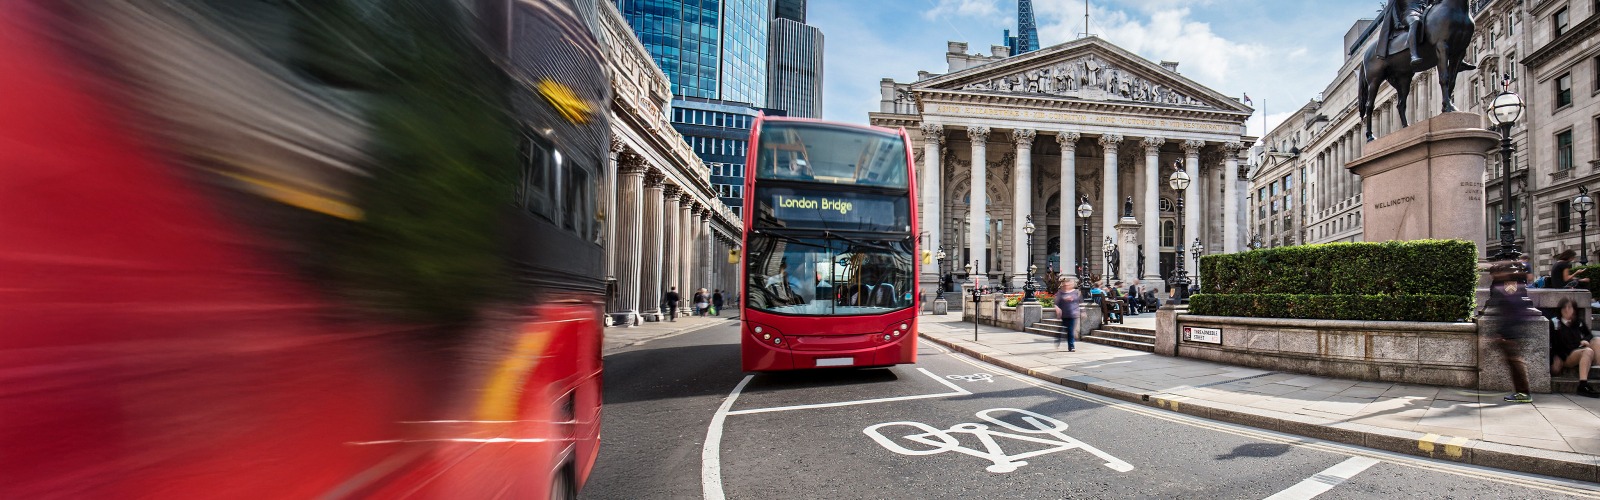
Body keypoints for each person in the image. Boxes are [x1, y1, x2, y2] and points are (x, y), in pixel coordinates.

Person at [1484, 255, 1537, 403]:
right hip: (1511, 330)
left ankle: (1523, 393)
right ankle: (1522, 392)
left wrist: (1504, 332)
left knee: (1515, 362)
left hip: (1512, 331)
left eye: (1495, 273)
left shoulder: (1508, 286)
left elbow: (1514, 309)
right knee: (1514, 362)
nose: (1493, 276)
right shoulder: (1505, 286)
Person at [1549, 298, 1600, 397]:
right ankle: (1583, 385)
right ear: (1560, 309)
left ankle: (1597, 373)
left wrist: (1585, 340)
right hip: (1566, 355)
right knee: (1588, 351)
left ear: (1574, 309)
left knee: (1597, 340)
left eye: (1569, 307)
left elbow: (1589, 335)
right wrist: (1555, 358)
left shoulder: (1577, 322)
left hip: (1579, 349)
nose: (1567, 310)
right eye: (1564, 307)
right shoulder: (1555, 323)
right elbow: (1552, 343)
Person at [1054, 277, 1082, 352]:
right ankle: (1058, 339)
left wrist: (1083, 312)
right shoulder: (1060, 292)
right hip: (1064, 314)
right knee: (1064, 329)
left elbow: (1080, 302)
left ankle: (1071, 346)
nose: (1067, 285)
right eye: (1066, 284)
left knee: (1070, 330)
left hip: (1073, 314)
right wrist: (1057, 309)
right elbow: (1056, 303)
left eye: (1069, 284)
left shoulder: (1076, 292)